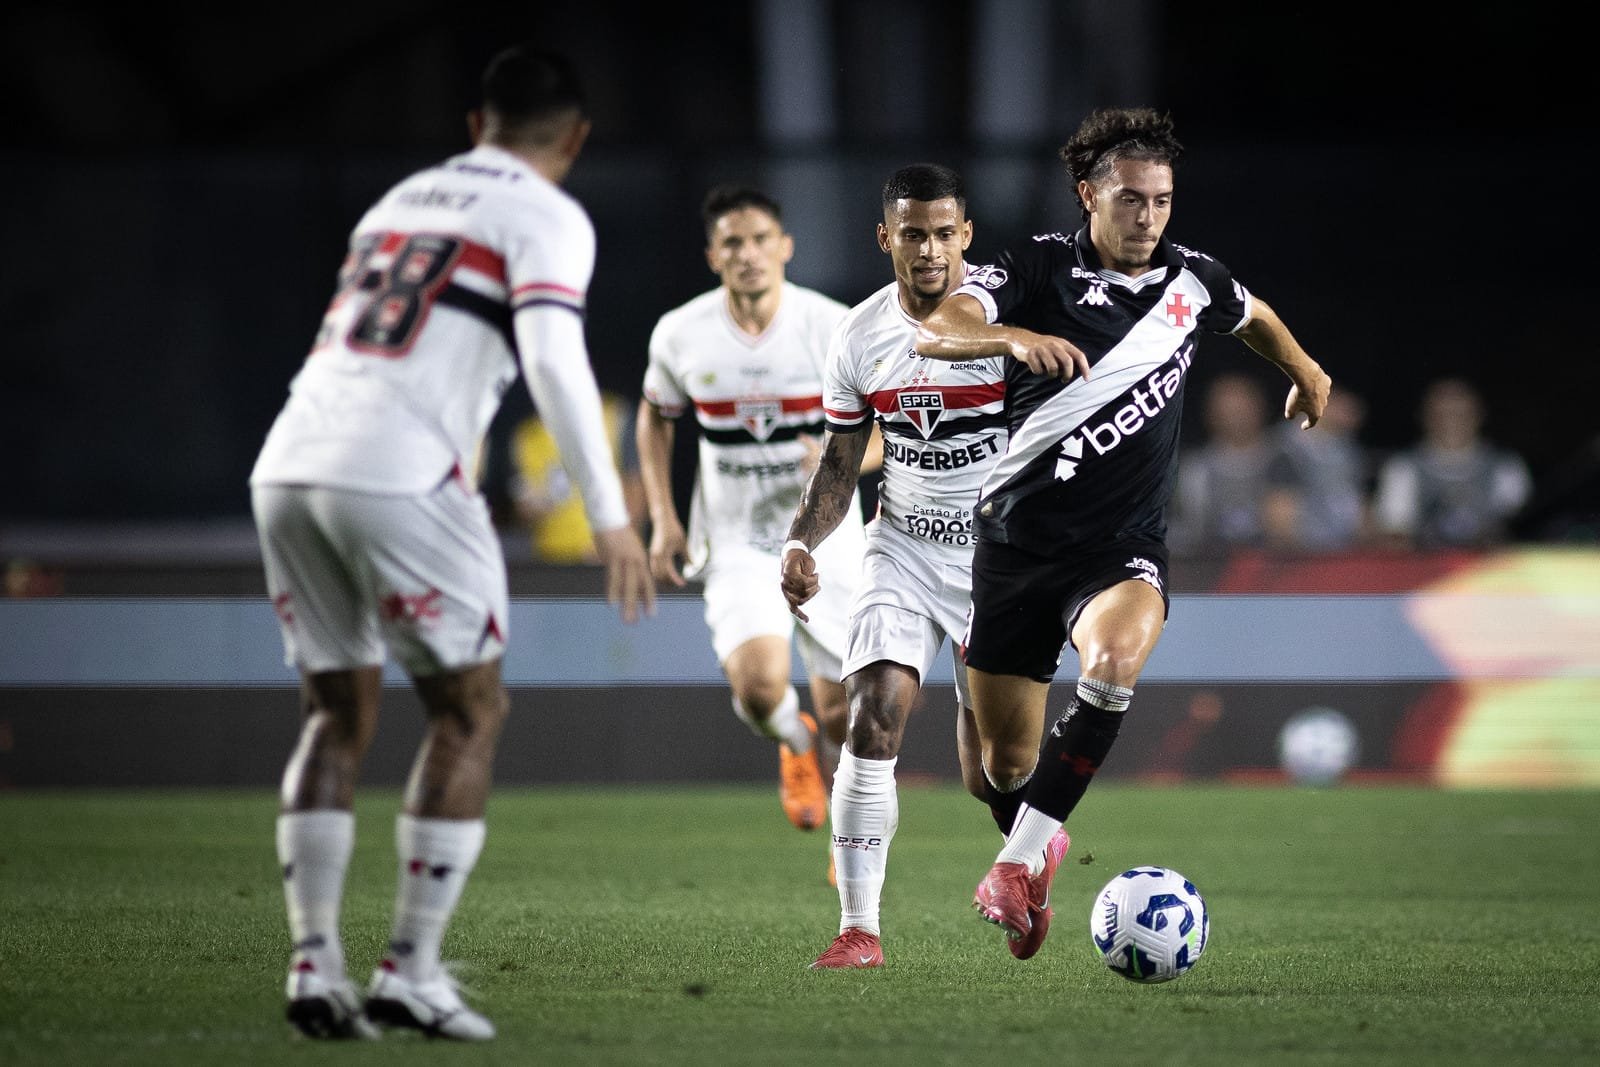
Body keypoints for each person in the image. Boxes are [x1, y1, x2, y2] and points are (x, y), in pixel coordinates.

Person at [248, 45, 653, 1041]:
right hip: (397, 468)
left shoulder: (398, 201)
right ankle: (411, 969)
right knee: (468, 709)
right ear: (575, 139)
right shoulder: (546, 213)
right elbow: (553, 358)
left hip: (289, 460)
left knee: (332, 713)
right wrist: (609, 512)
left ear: (476, 124)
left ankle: (314, 964)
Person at [915, 107, 1332, 957]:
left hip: (1120, 548)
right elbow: (939, 326)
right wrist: (1012, 337)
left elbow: (1252, 313)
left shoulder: (1193, 280)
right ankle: (1039, 841)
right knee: (999, 769)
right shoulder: (1035, 266)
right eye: (1131, 200)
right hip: (1015, 543)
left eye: (1162, 201)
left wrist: (1305, 368)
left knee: (1111, 666)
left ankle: (1015, 864)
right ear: (1089, 195)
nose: (1148, 217)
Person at [780, 162, 1063, 968]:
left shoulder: (1008, 328)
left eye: (944, 233)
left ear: (966, 235)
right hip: (900, 547)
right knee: (871, 717)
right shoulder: (859, 335)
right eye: (913, 233)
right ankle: (858, 929)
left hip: (997, 562)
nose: (930, 249)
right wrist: (801, 542)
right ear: (886, 238)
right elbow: (840, 465)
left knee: (994, 773)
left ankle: (1031, 851)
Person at [638, 185, 877, 844]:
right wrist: (663, 517)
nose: (748, 254)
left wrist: (841, 462)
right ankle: (793, 739)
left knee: (847, 715)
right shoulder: (682, 333)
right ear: (713, 256)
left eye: (760, 240)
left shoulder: (833, 325)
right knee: (760, 690)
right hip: (739, 539)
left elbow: (891, 427)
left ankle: (851, 847)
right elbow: (655, 419)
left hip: (827, 537)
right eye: (733, 243)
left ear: (785, 247)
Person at [1372, 377, 1531, 548]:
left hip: (1491, 562)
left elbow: (1519, 527)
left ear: (1479, 415)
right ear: (1425, 416)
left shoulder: (1505, 466)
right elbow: (1395, 530)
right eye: (1441, 414)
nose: (1452, 421)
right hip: (1427, 561)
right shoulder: (1403, 467)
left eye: (1461, 413)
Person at [501, 390, 646, 562]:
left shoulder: (615, 415)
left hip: (605, 557)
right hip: (550, 559)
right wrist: (541, 501)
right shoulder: (527, 435)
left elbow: (637, 490)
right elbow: (521, 511)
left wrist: (615, 546)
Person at [1166, 372, 1281, 554]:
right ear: (1211, 416)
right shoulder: (1194, 470)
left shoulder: (1285, 460)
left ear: (1261, 408)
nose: (1237, 419)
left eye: (1242, 410)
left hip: (1277, 564)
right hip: (1212, 565)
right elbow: (1185, 529)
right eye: (1229, 412)